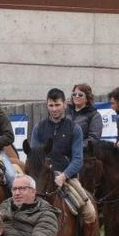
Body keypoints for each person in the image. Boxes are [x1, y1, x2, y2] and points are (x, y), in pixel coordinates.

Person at [30, 88, 96, 227]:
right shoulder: (38, 128)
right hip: (42, 179)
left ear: (65, 104)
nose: (54, 109)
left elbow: (78, 159)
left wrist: (63, 176)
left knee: (89, 213)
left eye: (57, 105)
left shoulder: (74, 128)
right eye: (51, 105)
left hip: (67, 178)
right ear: (46, 105)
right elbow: (34, 158)